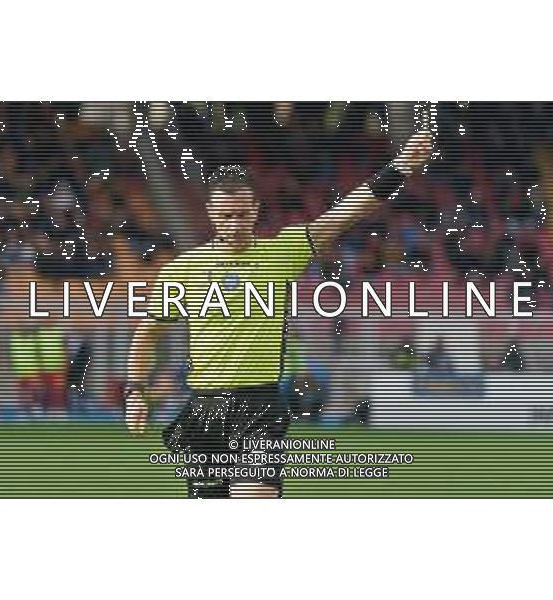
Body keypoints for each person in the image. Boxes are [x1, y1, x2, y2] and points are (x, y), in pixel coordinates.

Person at [125, 130, 433, 498]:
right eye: (226, 215)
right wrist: (135, 392)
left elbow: (343, 215)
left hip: (259, 405)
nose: (235, 224)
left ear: (256, 210)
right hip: (204, 408)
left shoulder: (282, 250)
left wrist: (398, 168)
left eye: (243, 214)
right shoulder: (184, 268)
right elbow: (148, 333)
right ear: (209, 212)